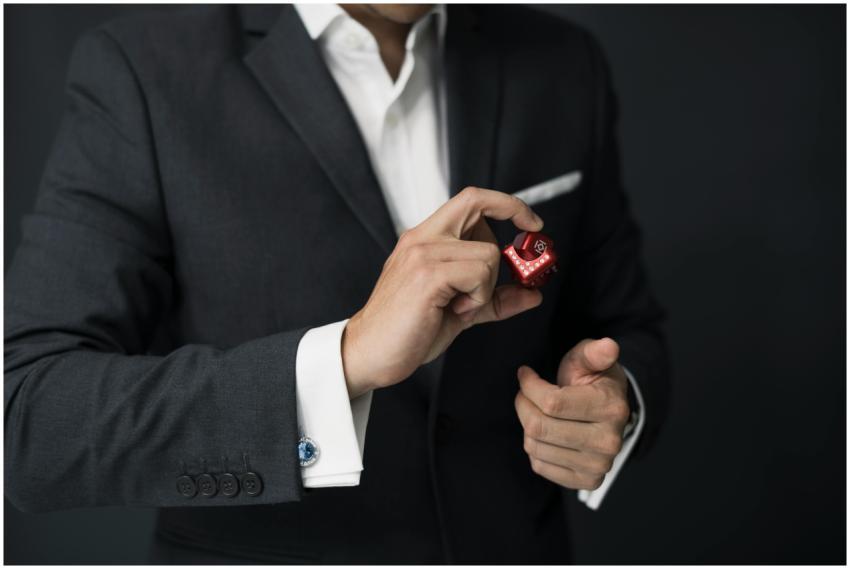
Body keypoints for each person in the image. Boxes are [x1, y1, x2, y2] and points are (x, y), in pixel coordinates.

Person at [4, 4, 668, 564]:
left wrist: (616, 403)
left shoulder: (562, 59)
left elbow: (628, 326)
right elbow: (26, 417)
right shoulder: (142, 69)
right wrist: (342, 359)